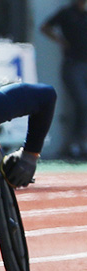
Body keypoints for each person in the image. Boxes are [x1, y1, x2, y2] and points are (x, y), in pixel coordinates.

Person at [41, 0, 87, 159]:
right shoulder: (67, 13)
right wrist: (60, 41)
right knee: (82, 103)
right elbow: (45, 27)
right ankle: (76, 143)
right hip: (73, 64)